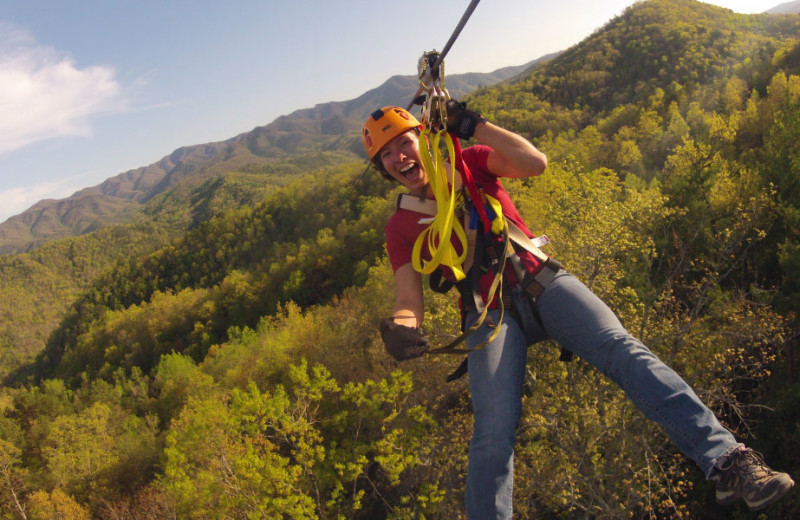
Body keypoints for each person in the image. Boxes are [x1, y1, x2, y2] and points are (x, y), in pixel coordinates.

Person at [361, 103, 795, 518]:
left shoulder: (469, 162)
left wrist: (473, 124)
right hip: (488, 314)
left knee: (624, 352)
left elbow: (534, 163)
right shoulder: (400, 226)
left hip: (540, 280)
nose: (399, 157)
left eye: (404, 144)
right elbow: (408, 302)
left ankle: (728, 462)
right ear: (382, 171)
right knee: (492, 432)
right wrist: (402, 328)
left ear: (423, 139)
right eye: (387, 156)